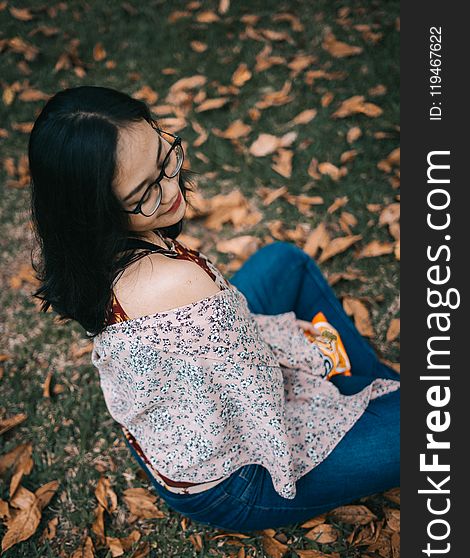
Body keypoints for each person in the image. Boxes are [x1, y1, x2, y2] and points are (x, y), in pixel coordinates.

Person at [29, 85, 400, 533]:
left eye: (165, 157)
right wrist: (326, 370)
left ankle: (377, 380)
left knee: (285, 263)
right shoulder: (174, 283)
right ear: (96, 210)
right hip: (233, 480)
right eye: (145, 192)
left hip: (175, 432)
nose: (170, 190)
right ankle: (373, 386)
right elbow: (266, 398)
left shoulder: (84, 254)